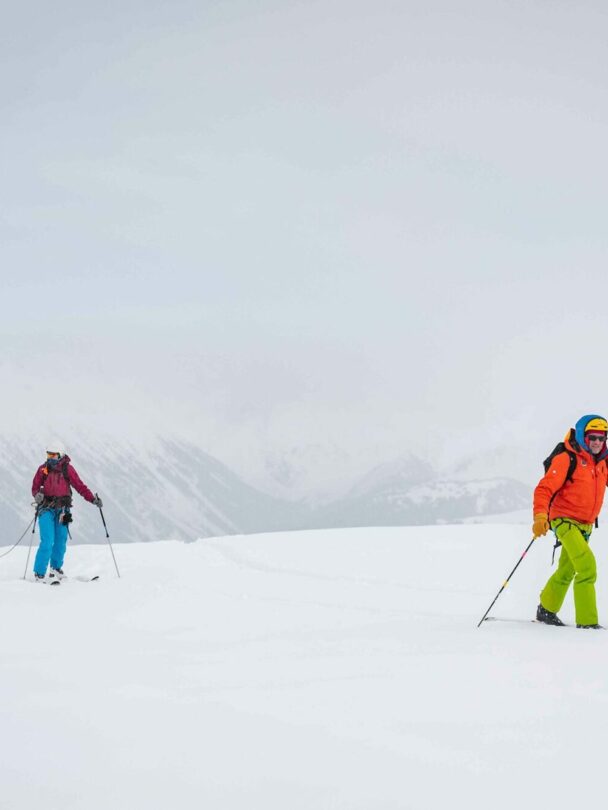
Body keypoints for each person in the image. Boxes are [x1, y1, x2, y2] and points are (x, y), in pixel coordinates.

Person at [533, 414, 608, 629]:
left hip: (585, 525)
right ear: (583, 436)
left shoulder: (602, 462)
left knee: (567, 570)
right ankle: (587, 623)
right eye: (592, 437)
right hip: (564, 520)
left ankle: (546, 609)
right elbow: (544, 489)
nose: (597, 442)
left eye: (602, 438)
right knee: (587, 567)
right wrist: (540, 516)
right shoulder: (567, 458)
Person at [31, 440, 103, 581]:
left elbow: (80, 486)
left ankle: (55, 568)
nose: (50, 458)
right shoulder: (42, 469)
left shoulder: (68, 470)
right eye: (48, 455)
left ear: (61, 455)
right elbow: (35, 487)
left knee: (60, 540)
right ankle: (39, 573)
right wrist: (37, 495)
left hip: (63, 510)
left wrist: (92, 499)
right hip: (46, 509)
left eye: (53, 455)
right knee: (47, 540)